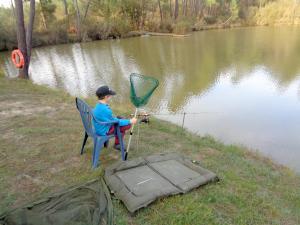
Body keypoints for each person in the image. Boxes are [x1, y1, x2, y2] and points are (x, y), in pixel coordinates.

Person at [93, 85, 137, 150]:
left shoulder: (99, 105)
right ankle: (117, 144)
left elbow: (110, 118)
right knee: (127, 125)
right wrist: (130, 121)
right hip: (104, 130)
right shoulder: (105, 109)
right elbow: (116, 122)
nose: (111, 96)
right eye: (110, 95)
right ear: (106, 97)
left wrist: (119, 119)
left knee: (120, 119)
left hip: (100, 126)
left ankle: (115, 142)